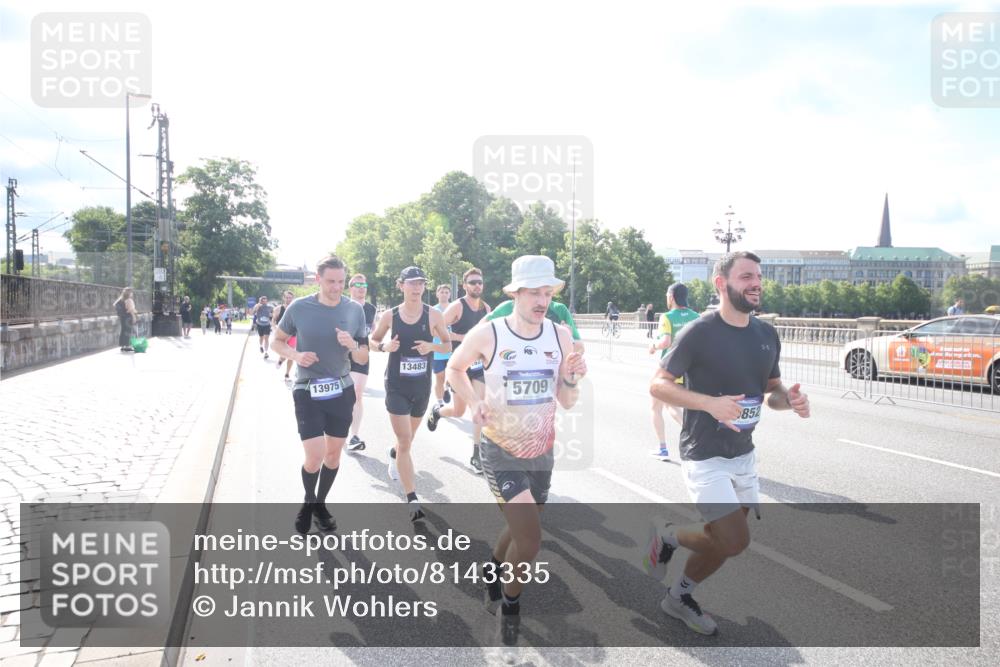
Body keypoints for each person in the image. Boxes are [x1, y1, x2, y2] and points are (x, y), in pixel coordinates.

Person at [644, 251, 810, 636]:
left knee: (722, 540)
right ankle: (668, 533)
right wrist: (708, 404)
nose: (756, 283)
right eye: (746, 276)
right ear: (722, 284)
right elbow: (657, 384)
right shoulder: (701, 331)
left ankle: (679, 597)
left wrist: (791, 400)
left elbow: (771, 392)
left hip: (743, 456)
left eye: (759, 277)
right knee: (734, 540)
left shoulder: (766, 334)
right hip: (705, 454)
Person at [447, 255, 586, 648]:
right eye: (534, 293)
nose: (543, 301)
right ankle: (510, 609)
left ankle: (493, 570)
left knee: (522, 524)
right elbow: (456, 369)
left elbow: (568, 400)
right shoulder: (490, 333)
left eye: (548, 293)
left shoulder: (560, 336)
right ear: (515, 293)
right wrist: (474, 401)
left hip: (542, 449)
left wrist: (572, 378)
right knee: (530, 539)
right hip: (501, 448)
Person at [270, 256, 369, 534]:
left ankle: (320, 504)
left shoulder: (354, 310)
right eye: (331, 281)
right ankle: (308, 502)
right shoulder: (300, 308)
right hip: (307, 389)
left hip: (341, 388)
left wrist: (351, 345)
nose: (337, 287)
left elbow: (363, 354)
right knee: (315, 455)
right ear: (318, 279)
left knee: (334, 455)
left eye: (340, 281)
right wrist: (296, 354)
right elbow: (276, 341)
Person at [370, 267, 451, 521]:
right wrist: (384, 346)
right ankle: (412, 498)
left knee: (408, 439)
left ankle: (394, 454)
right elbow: (372, 341)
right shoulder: (390, 315)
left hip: (421, 387)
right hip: (396, 386)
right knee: (405, 440)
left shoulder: (434, 315)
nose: (417, 288)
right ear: (401, 285)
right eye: (412, 283)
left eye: (421, 284)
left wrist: (432, 346)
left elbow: (447, 345)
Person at [427, 268, 492, 473]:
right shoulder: (457, 306)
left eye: (480, 282)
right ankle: (438, 411)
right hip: (459, 367)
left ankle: (476, 455)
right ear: (465, 286)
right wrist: (461, 338)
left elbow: (491, 333)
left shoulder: (486, 308)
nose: (477, 286)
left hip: (478, 367)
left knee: (479, 407)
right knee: (458, 410)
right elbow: (437, 329)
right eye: (472, 282)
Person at [647, 284, 701, 460]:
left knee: (656, 407)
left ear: (671, 296)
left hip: (669, 368)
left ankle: (664, 448)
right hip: (690, 369)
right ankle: (696, 434)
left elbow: (665, 341)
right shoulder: (696, 316)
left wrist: (653, 346)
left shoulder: (667, 317)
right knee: (671, 405)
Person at [486, 297, 585, 355]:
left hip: (549, 378)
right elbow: (481, 329)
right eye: (534, 292)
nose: (541, 300)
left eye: (547, 292)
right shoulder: (506, 307)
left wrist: (567, 339)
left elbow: (580, 348)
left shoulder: (559, 310)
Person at [346, 275, 378, 452]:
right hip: (341, 355)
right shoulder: (343, 305)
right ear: (350, 287)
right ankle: (337, 431)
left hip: (361, 355)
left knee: (357, 394)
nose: (361, 288)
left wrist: (380, 346)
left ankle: (354, 436)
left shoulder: (371, 309)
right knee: (341, 395)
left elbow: (371, 332)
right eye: (357, 284)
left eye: (364, 285)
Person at [431, 284, 454, 408]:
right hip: (438, 350)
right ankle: (440, 402)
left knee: (452, 374)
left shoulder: (455, 308)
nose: (444, 294)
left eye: (446, 292)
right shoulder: (433, 310)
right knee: (440, 377)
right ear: (437, 294)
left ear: (449, 294)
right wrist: (444, 336)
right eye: (442, 292)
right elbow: (431, 330)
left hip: (453, 350)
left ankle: (447, 388)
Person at [273, 291, 297, 384]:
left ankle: (287, 374)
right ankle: (281, 359)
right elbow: (273, 320)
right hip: (282, 336)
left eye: (290, 298)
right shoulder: (278, 309)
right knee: (285, 354)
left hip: (293, 335)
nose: (288, 299)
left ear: (293, 298)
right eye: (287, 297)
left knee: (291, 355)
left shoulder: (296, 309)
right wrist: (274, 328)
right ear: (284, 298)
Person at [114, 287, 138, 352]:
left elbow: (115, 305)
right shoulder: (129, 300)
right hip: (128, 317)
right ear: (129, 293)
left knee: (123, 331)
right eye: (131, 292)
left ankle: (123, 346)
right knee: (128, 331)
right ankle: (127, 346)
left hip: (123, 317)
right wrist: (134, 317)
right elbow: (130, 309)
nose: (132, 293)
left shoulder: (121, 299)